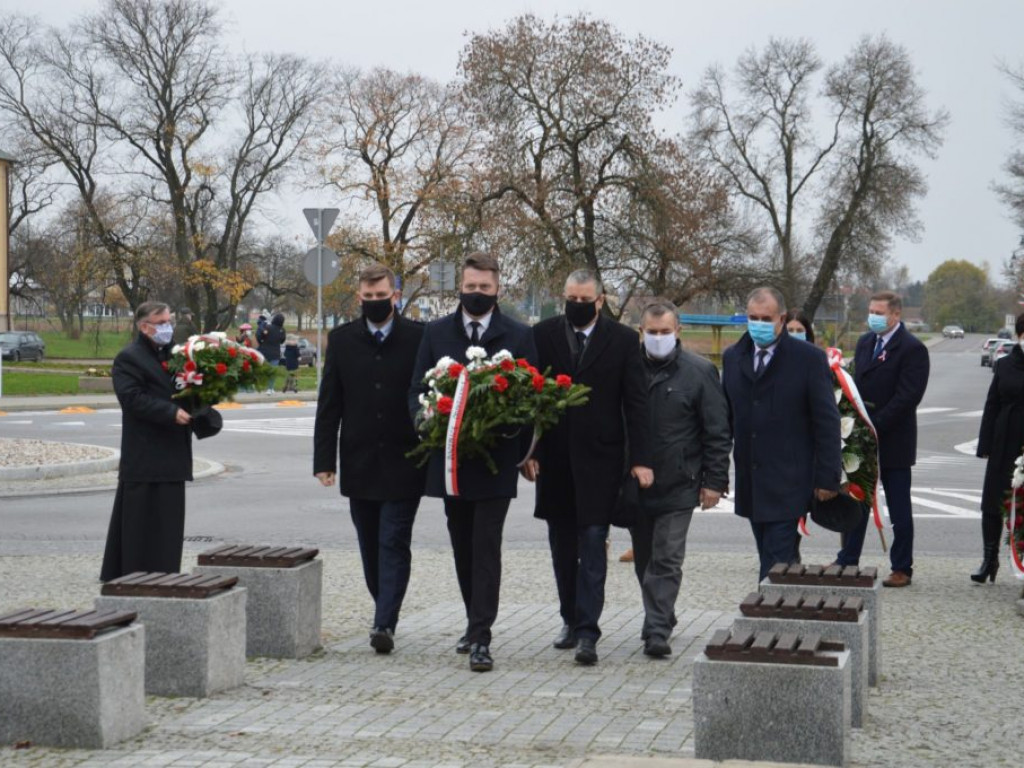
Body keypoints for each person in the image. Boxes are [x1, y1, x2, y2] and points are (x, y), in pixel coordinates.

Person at [408, 252, 537, 672]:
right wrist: (426, 420)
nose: (476, 294)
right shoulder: (436, 333)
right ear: (459, 288)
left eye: (484, 287)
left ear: (497, 288)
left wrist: (524, 447)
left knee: (486, 547)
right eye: (470, 287)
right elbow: (416, 389)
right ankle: (471, 620)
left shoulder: (517, 335)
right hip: (452, 462)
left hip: (496, 461)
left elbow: (531, 395)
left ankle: (483, 636)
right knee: (462, 545)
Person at [523, 269, 652, 666]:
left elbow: (636, 402)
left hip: (601, 461)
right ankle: (569, 617)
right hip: (555, 462)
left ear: (599, 300)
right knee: (562, 548)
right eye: (570, 298)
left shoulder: (625, 340)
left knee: (594, 543)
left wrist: (641, 459)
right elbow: (529, 397)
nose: (576, 306)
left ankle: (588, 633)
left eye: (584, 300)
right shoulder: (543, 335)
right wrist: (528, 451)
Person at [315, 264, 427, 654]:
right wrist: (324, 460)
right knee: (369, 544)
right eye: (368, 297)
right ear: (359, 297)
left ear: (395, 296)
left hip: (405, 458)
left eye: (382, 297)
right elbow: (329, 404)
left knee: (393, 540)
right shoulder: (343, 340)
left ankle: (384, 621)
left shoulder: (419, 337)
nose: (375, 303)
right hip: (360, 459)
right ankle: (385, 604)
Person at [626, 300, 731, 657]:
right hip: (636, 484)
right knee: (644, 559)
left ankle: (656, 630)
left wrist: (715, 481)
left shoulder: (699, 372)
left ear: (678, 331)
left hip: (680, 482)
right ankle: (662, 613)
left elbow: (717, 430)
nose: (658, 338)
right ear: (641, 332)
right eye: (651, 333)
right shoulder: (627, 369)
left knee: (667, 558)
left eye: (664, 332)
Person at [722, 287, 842, 581]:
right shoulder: (733, 356)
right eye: (753, 317)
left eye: (766, 318)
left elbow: (827, 422)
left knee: (776, 562)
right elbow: (725, 418)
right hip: (751, 480)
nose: (758, 324)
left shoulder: (808, 358)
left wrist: (827, 478)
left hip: (791, 480)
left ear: (782, 318)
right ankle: (787, 610)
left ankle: (770, 616)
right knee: (770, 555)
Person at [834, 291, 929, 587]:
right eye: (871, 311)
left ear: (896, 315)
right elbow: (856, 384)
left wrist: (875, 426)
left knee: (898, 507)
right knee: (856, 501)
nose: (873, 316)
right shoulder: (865, 343)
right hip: (862, 441)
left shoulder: (912, 349)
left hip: (893, 441)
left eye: (879, 312)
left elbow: (908, 396)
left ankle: (902, 567)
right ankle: (848, 559)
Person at [100, 301, 194, 581]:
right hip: (144, 453)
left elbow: (188, 389)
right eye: (162, 322)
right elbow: (132, 399)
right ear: (145, 327)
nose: (168, 327)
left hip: (173, 454)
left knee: (168, 523)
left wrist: (204, 411)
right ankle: (133, 576)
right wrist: (170, 412)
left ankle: (165, 575)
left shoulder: (176, 355)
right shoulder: (129, 357)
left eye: (170, 320)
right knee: (138, 523)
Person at [975, 316, 1024, 583]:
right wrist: (985, 445)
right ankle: (989, 559)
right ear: (1019, 335)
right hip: (1005, 441)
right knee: (993, 503)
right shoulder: (1004, 365)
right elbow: (991, 405)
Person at [258, 313, 286, 393]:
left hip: (265, 352)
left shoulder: (268, 328)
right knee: (273, 371)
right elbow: (282, 341)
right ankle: (270, 388)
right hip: (275, 353)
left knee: (266, 371)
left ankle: (267, 387)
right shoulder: (282, 330)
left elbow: (261, 336)